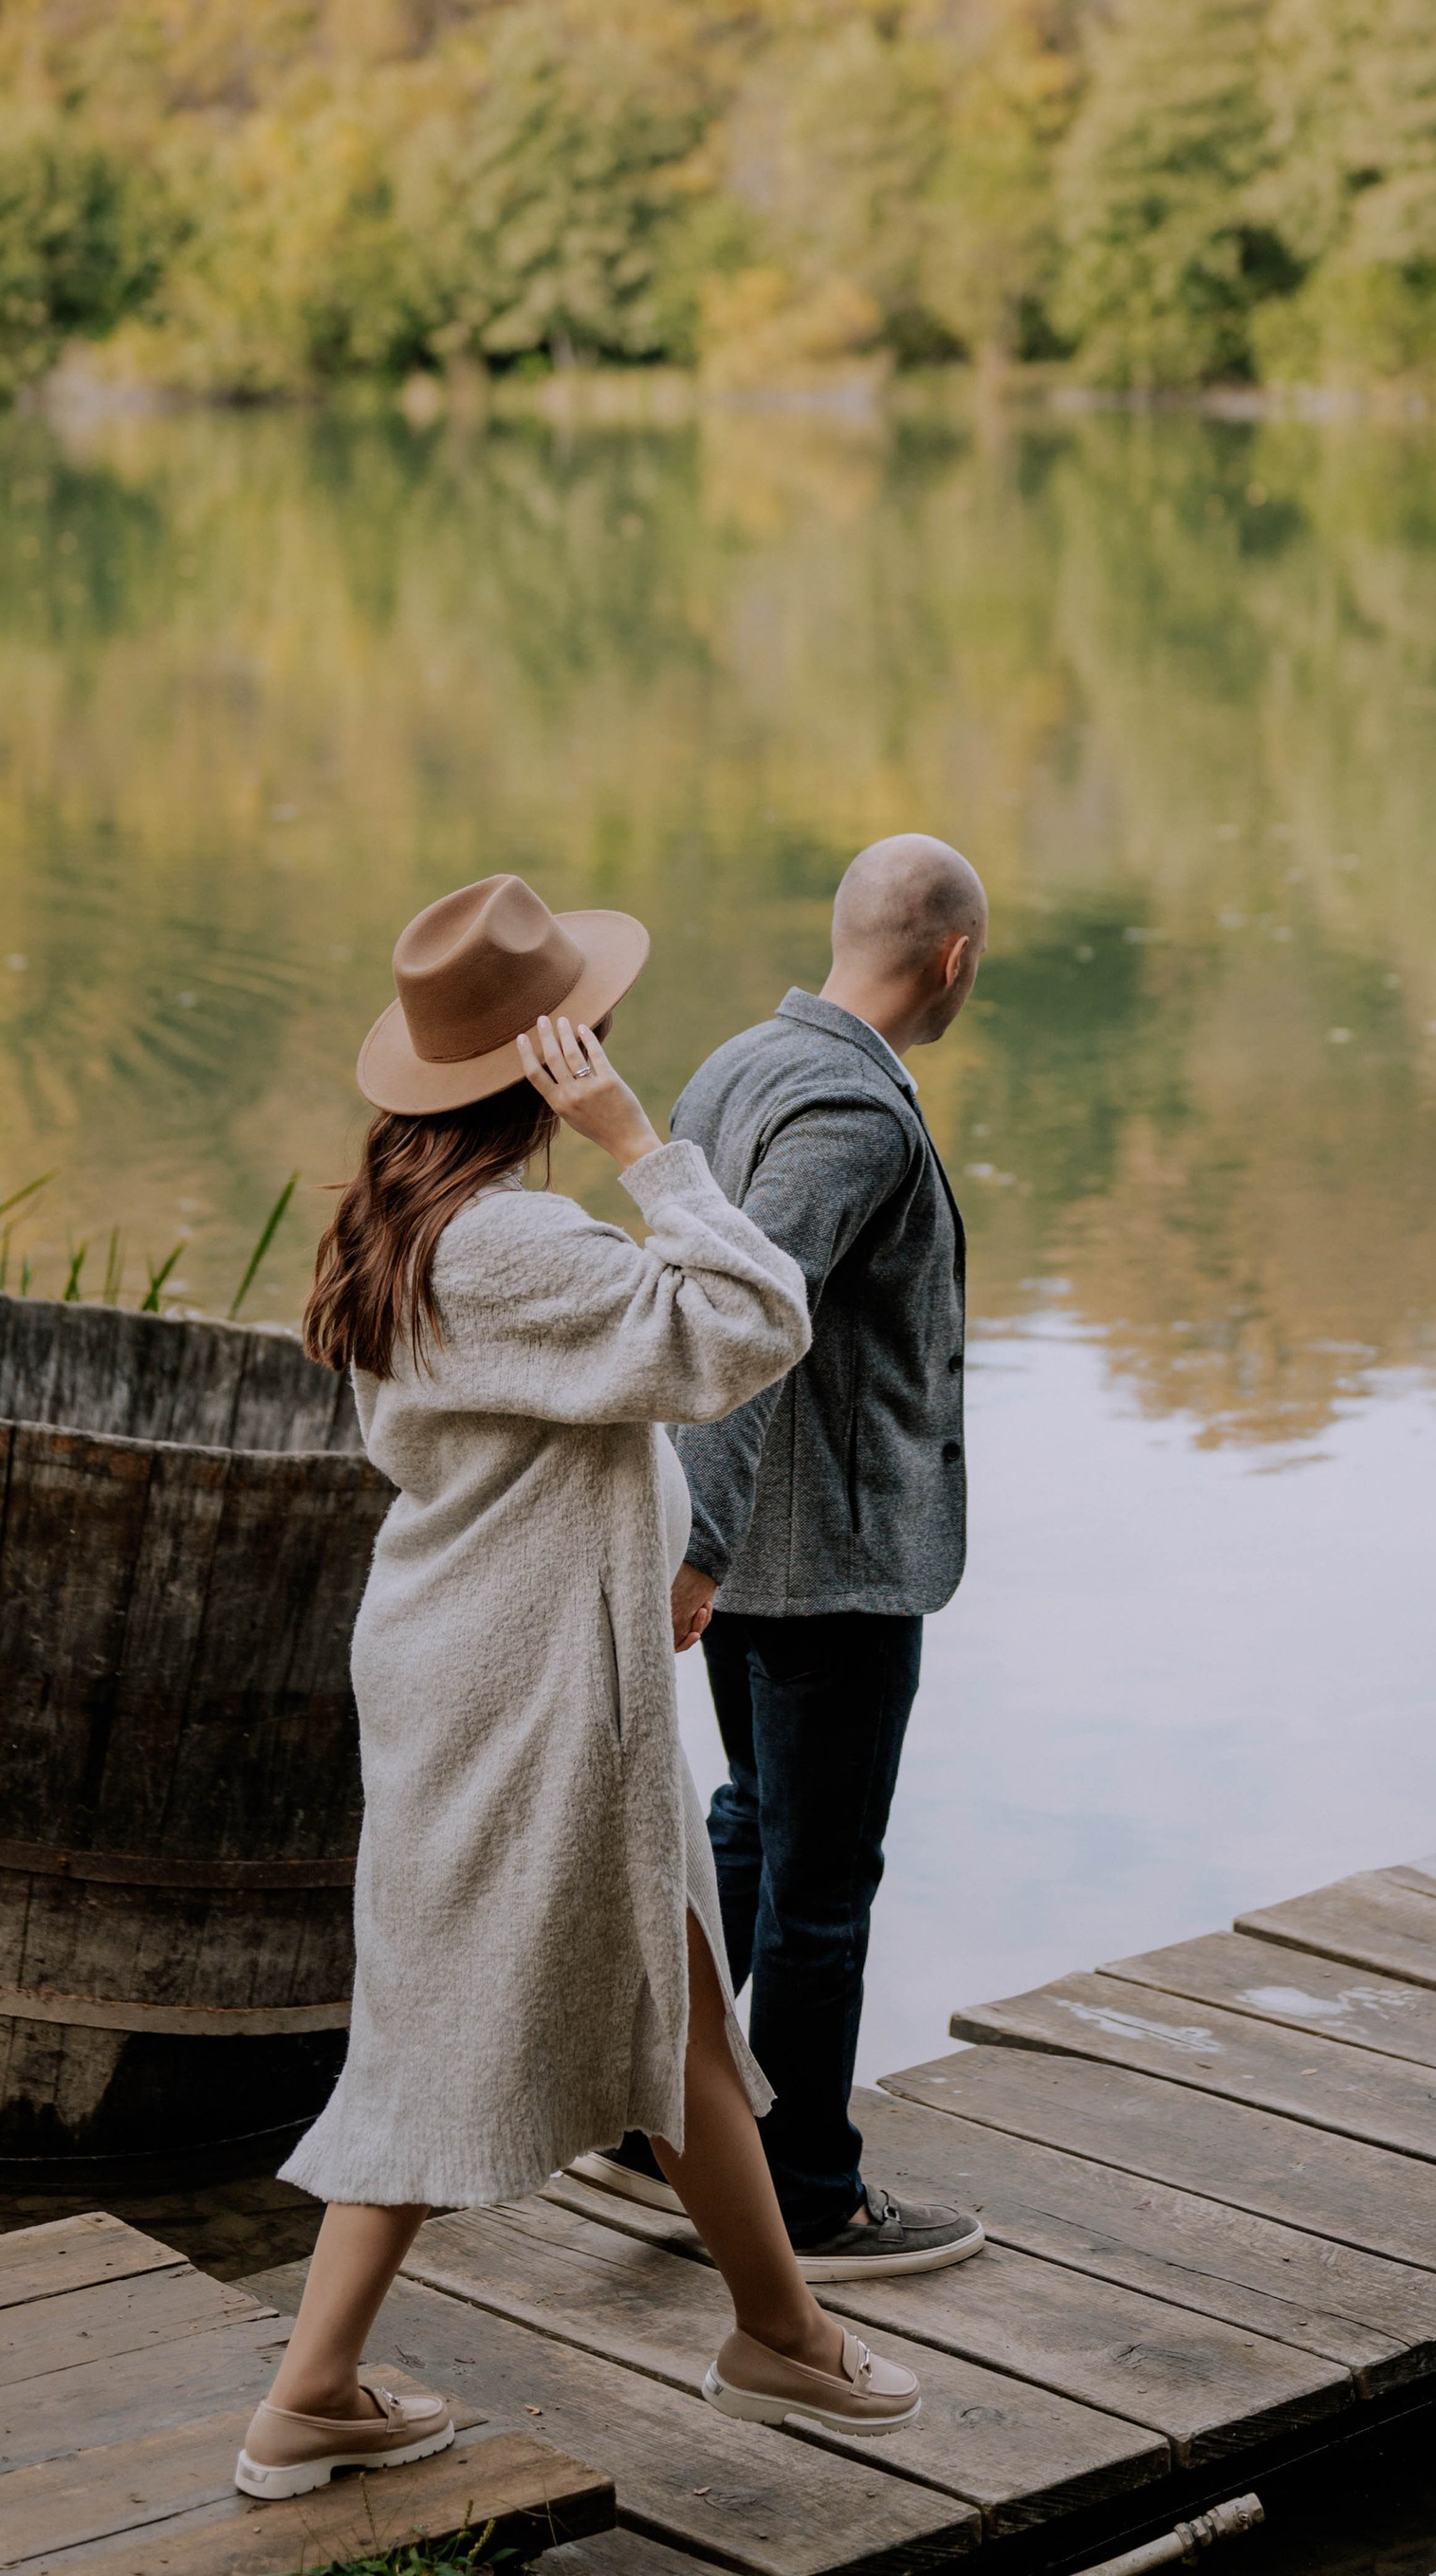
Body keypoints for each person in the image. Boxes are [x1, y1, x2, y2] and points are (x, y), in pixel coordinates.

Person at [236, 872, 923, 2504]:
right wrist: (640, 1140)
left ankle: (779, 2332)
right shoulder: (516, 1241)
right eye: (586, 1034)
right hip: (528, 1686)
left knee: (668, 1996)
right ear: (541, 1060)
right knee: (447, 2028)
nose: (604, 1042)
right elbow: (753, 1322)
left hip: (487, 1655)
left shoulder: (398, 1221)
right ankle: (307, 2395)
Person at [574, 833, 988, 2276]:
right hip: (819, 1572)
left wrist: (705, 1544)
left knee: (750, 1825)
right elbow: (740, 1330)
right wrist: (705, 1545)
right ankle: (807, 2189)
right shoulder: (853, 1117)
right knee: (823, 1888)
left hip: (756, 1554)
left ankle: (656, 2118)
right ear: (953, 962)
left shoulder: (740, 1063)